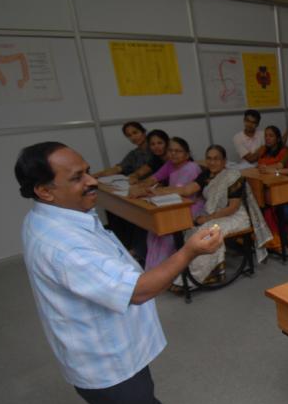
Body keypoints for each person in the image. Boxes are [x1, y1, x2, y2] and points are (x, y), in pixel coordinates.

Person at [16, 142, 222, 404]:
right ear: (45, 191)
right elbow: (138, 290)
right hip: (99, 348)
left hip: (115, 336)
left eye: (88, 171)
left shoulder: (57, 216)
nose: (92, 181)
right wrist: (188, 251)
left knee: (139, 390)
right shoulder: (61, 244)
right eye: (78, 177)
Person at [169, 145, 272, 288]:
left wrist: (207, 218)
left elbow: (232, 208)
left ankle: (204, 275)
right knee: (190, 228)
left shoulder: (233, 176)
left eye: (216, 159)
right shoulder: (206, 174)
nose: (212, 162)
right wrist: (159, 191)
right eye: (209, 159)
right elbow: (187, 190)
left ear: (224, 161)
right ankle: (189, 272)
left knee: (208, 232)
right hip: (215, 215)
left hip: (236, 217)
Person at [131, 137, 204, 270]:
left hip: (189, 206)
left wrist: (153, 191)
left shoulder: (191, 168)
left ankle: (168, 269)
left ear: (187, 154)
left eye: (178, 151)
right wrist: (142, 185)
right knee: (155, 228)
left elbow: (183, 192)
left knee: (167, 230)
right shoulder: (170, 164)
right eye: (171, 150)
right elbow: (154, 178)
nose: (173, 154)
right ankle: (154, 268)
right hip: (170, 204)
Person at [94, 122, 151, 254]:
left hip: (147, 188)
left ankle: (136, 249)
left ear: (143, 131)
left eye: (135, 133)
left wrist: (135, 177)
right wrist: (93, 176)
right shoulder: (134, 153)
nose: (133, 137)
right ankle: (124, 245)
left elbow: (147, 170)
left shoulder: (154, 149)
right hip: (133, 188)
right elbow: (118, 168)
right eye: (129, 135)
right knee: (113, 209)